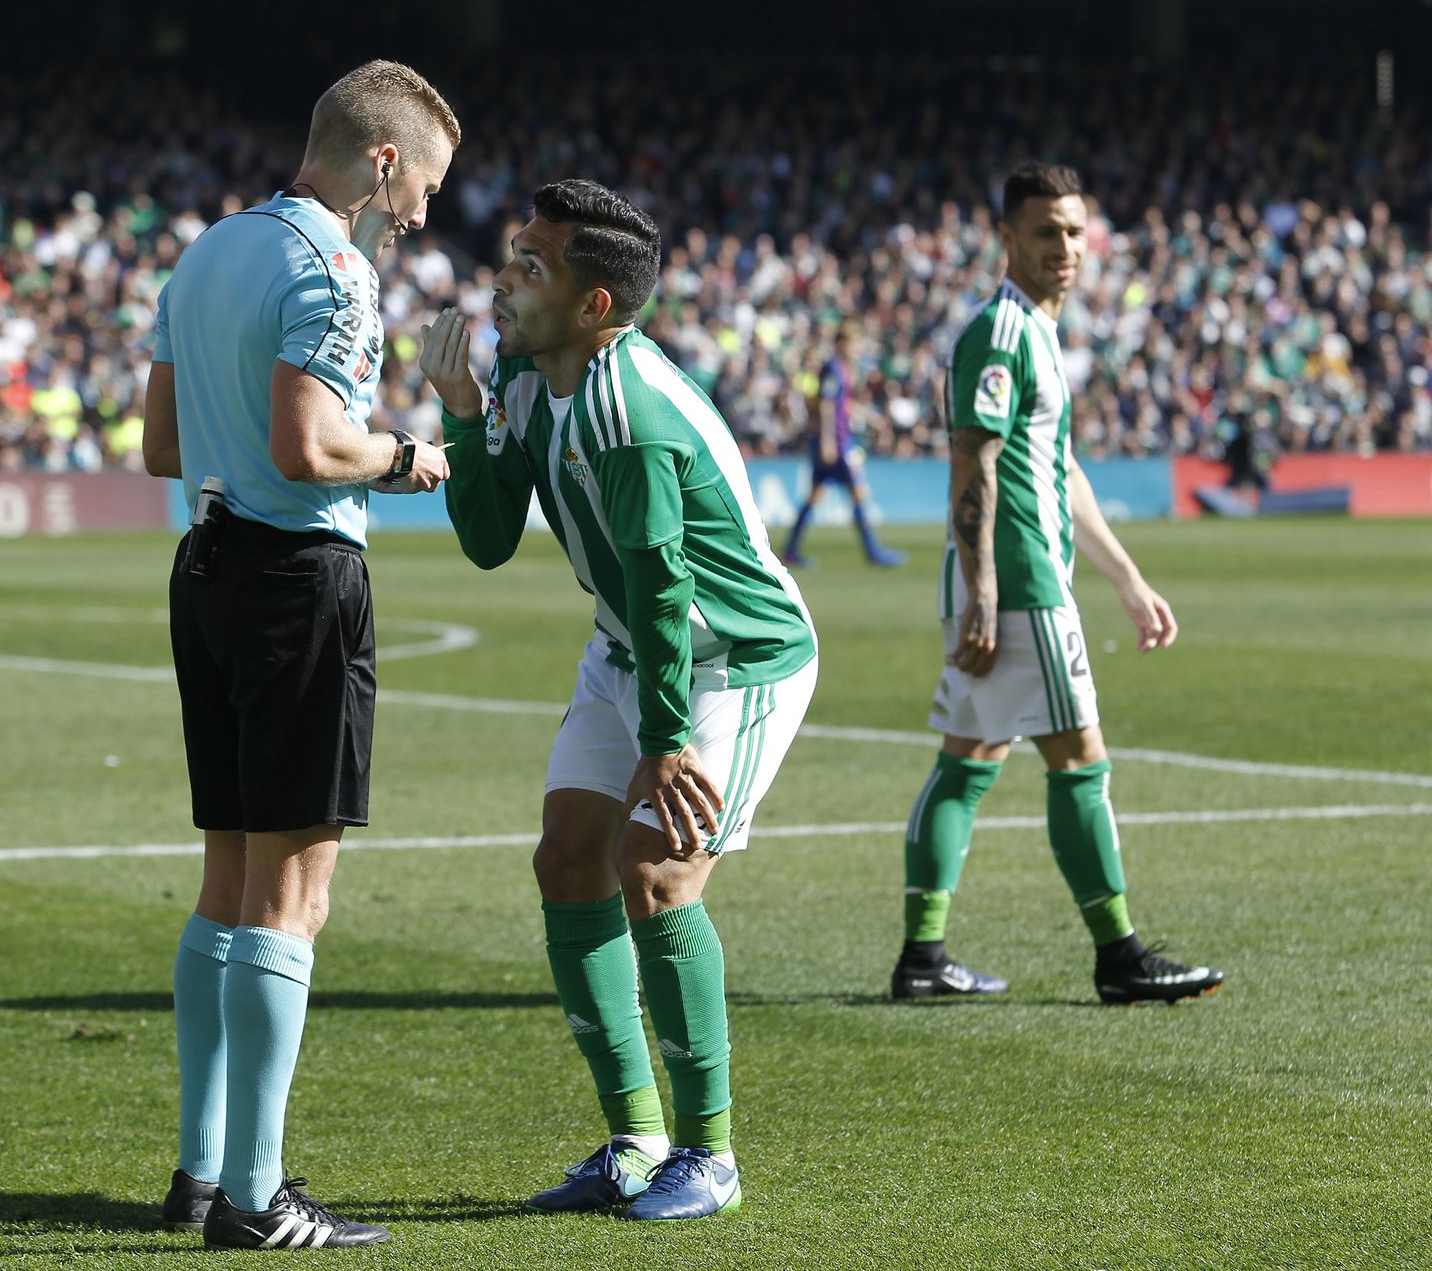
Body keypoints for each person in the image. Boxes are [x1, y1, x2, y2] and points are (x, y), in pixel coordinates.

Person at [419, 179, 818, 1221]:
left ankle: (710, 1154)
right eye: (512, 252)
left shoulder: (628, 413)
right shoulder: (517, 366)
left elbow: (663, 582)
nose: (504, 277)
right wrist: (463, 417)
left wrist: (668, 741)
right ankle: (634, 1141)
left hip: (733, 658)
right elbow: (490, 539)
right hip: (628, 644)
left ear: (595, 306)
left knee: (655, 871)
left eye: (533, 266)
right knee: (566, 860)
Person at [141, 60, 458, 1250]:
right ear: (381, 163)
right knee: (291, 895)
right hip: (294, 580)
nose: (424, 209)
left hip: (207, 571)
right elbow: (309, 445)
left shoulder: (209, 248)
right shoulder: (336, 268)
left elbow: (161, 443)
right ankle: (256, 1196)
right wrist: (402, 454)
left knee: (225, 884)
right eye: (423, 183)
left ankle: (199, 1170)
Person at [891, 163, 1225, 1006]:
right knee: (1080, 761)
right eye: (1046, 231)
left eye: (1075, 231)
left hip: (1009, 582)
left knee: (969, 761)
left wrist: (1127, 577)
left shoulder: (1037, 333)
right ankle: (1121, 954)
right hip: (1022, 586)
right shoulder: (1002, 333)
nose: (1065, 247)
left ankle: (922, 957)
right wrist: (988, 591)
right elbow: (975, 459)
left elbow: (1059, 468)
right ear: (1009, 239)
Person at [780, 323, 907, 569]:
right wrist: (828, 441)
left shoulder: (846, 371)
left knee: (815, 496)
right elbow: (827, 405)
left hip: (837, 440)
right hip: (837, 442)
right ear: (842, 345)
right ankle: (873, 551)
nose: (858, 349)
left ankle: (791, 550)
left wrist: (872, 417)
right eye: (854, 343)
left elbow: (843, 406)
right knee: (858, 492)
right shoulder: (832, 370)